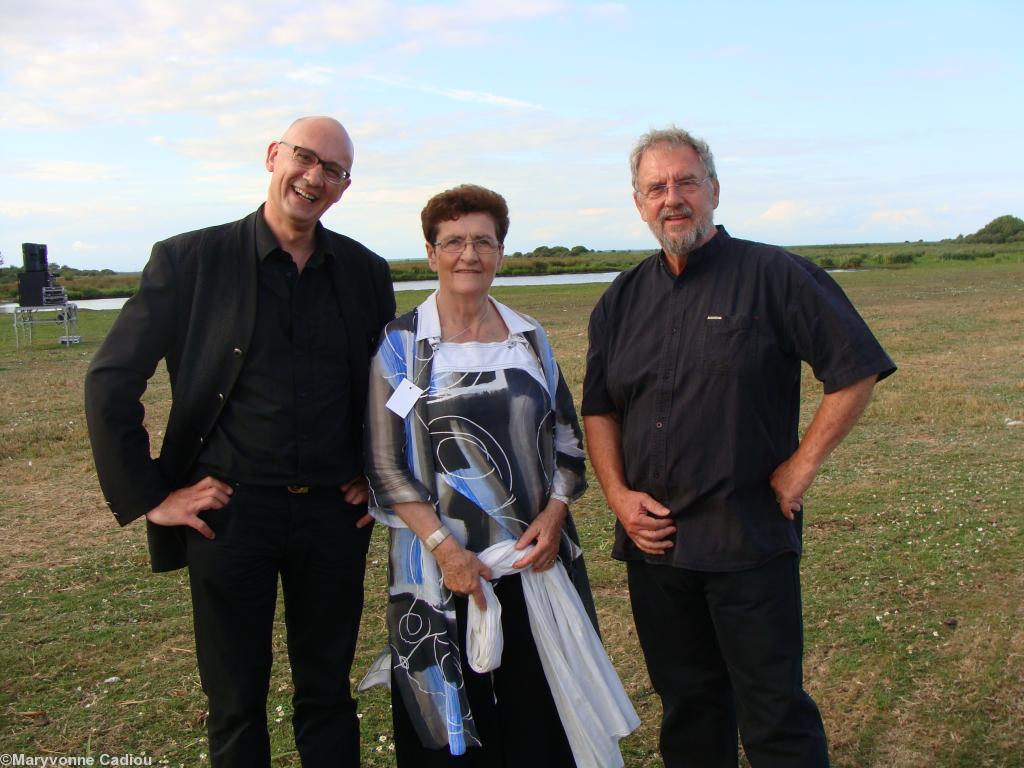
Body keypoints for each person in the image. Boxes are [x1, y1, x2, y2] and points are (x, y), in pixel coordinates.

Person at [84, 116, 396, 768]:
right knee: (234, 701)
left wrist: (383, 472)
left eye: (332, 170)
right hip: (230, 516)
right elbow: (111, 381)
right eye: (305, 158)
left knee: (328, 693)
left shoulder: (366, 272)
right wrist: (150, 496)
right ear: (273, 156)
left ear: (344, 186)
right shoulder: (189, 261)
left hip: (334, 517)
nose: (314, 177)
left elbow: (389, 384)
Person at [582, 127, 896, 768]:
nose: (673, 198)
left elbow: (855, 368)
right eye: (656, 187)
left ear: (714, 191)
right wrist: (616, 495)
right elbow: (601, 409)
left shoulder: (775, 275)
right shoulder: (621, 299)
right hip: (657, 551)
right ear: (639, 202)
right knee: (689, 711)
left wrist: (800, 466)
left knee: (774, 715)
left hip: (747, 540)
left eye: (686, 182)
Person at [362, 184, 638, 767]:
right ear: (432, 253)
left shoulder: (529, 338)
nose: (469, 254)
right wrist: (445, 549)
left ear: (501, 253)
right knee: (449, 720)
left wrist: (554, 514)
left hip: (533, 558)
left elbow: (566, 439)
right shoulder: (400, 344)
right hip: (439, 568)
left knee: (542, 710)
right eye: (454, 241)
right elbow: (385, 465)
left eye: (483, 241)